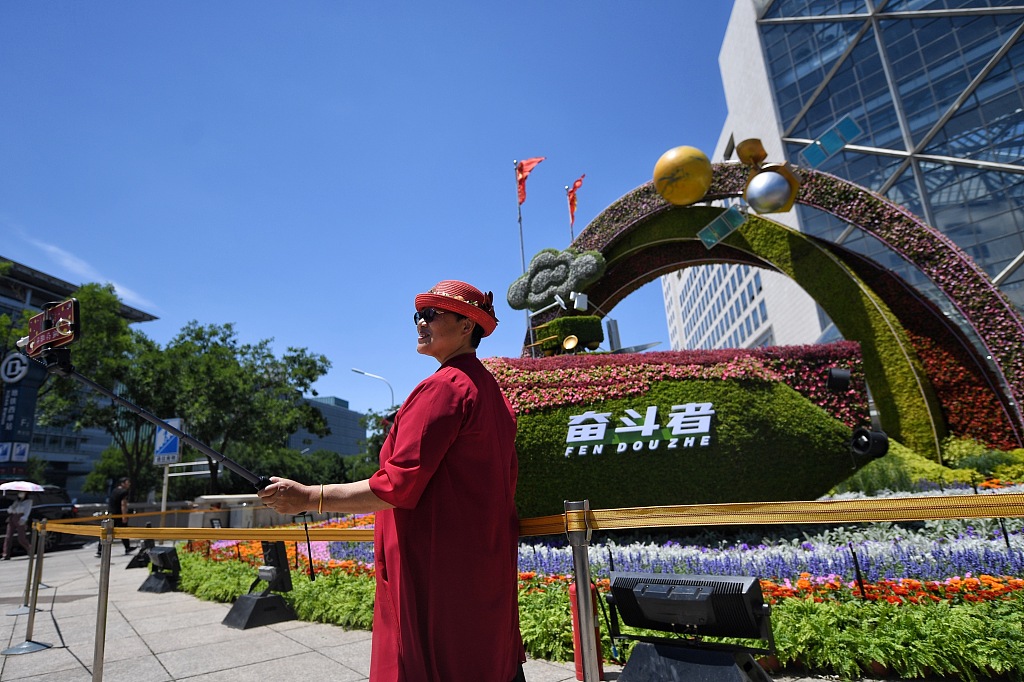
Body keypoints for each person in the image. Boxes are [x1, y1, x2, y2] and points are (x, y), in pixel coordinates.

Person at [260, 280, 525, 682]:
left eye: (431, 314)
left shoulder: (444, 388)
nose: (420, 322)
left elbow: (396, 486)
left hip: (434, 569)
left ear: (467, 325)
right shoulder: (492, 392)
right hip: (480, 565)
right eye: (417, 315)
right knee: (486, 658)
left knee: (431, 663)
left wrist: (309, 496)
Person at [97, 477, 136, 556]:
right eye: (127, 482)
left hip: (111, 513)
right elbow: (123, 504)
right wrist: (124, 516)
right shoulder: (124, 492)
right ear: (123, 483)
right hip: (118, 515)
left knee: (108, 531)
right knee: (122, 531)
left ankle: (100, 549)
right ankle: (127, 548)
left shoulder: (114, 490)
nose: (129, 484)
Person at [2, 491, 34, 559]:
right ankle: (6, 554)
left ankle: (30, 549)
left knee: (21, 538)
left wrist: (24, 519)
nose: (21, 494)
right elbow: (9, 510)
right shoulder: (16, 502)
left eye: (23, 493)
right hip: (12, 517)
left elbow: (27, 511)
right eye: (20, 492)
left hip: (20, 517)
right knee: (8, 536)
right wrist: (12, 508)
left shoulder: (28, 502)